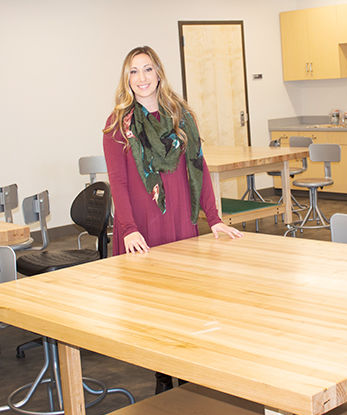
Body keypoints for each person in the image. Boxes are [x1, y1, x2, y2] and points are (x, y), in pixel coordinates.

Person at [102, 45, 243, 394]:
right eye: (133, 71)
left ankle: (190, 368)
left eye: (147, 69)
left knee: (188, 298)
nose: (142, 78)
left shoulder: (181, 116)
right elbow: (118, 182)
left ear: (159, 73)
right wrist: (129, 229)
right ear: (126, 78)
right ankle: (163, 375)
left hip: (180, 220)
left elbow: (199, 166)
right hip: (144, 225)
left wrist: (214, 219)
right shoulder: (118, 125)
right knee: (154, 306)